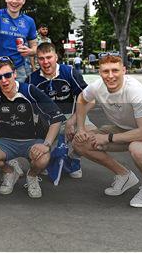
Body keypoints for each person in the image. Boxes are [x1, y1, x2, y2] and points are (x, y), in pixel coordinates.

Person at [72, 55, 142, 208]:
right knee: (80, 143)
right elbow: (81, 99)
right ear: (99, 72)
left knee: (138, 149)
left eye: (115, 70)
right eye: (105, 71)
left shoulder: (135, 91)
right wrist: (81, 128)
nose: (110, 76)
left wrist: (108, 138)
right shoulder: (97, 86)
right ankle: (124, 175)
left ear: (124, 70)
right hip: (123, 130)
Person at [0, 56, 64, 198]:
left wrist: (46, 144)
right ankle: (10, 171)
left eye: (7, 75)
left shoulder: (29, 90)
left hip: (31, 140)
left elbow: (56, 117)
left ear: (14, 74)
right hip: (5, 141)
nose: (4, 80)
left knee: (43, 158)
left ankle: (32, 176)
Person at [26, 42, 98, 179]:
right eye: (41, 58)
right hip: (47, 120)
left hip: (70, 115)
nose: (45, 62)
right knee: (35, 152)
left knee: (91, 137)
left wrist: (72, 121)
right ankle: (47, 160)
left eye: (49, 57)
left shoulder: (69, 72)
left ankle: (73, 158)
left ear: (56, 57)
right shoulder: (32, 79)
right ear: (37, 60)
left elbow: (90, 101)